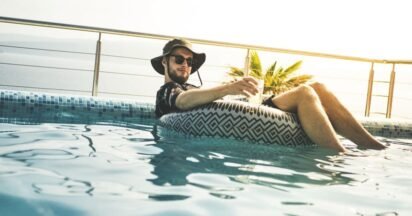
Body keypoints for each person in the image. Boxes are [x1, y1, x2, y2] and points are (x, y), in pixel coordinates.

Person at [152, 38, 387, 152]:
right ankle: (340, 156)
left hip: (248, 110)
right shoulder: (166, 92)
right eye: (179, 59)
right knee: (305, 93)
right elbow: (181, 101)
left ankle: (373, 146)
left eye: (189, 61)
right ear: (165, 62)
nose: (185, 65)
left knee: (318, 88)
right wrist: (228, 88)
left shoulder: (193, 86)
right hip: (243, 118)